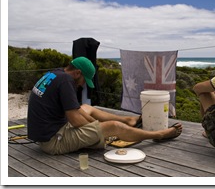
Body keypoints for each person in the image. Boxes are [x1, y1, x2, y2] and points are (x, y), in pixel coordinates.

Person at [27, 56, 182, 155]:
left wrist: (96, 126)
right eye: (83, 80)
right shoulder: (67, 81)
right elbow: (75, 121)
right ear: (77, 73)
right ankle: (160, 134)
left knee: (86, 108)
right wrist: (101, 127)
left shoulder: (56, 74)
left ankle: (128, 120)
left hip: (48, 134)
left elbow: (76, 112)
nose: (82, 85)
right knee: (114, 127)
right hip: (54, 141)